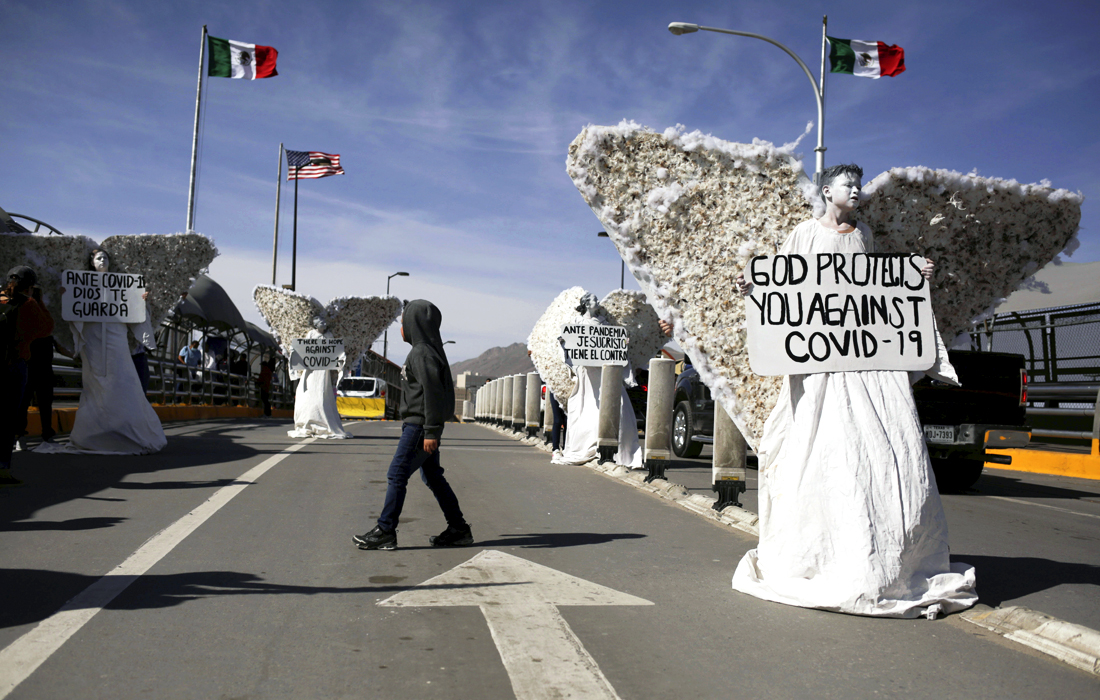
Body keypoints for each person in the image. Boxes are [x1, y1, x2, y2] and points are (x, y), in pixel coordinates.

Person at [730, 163, 976, 618]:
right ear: (827, 191)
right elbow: (783, 287)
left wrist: (914, 274)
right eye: (848, 184)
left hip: (864, 369)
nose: (857, 190)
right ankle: (826, 550)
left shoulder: (864, 235)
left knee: (875, 454)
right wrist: (753, 284)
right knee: (825, 451)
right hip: (819, 367)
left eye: (859, 184)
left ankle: (883, 553)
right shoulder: (804, 233)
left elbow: (875, 294)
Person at [353, 299, 471, 550]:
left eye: (403, 322)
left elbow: (433, 394)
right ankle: (459, 529)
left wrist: (431, 431)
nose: (401, 328)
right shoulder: (426, 351)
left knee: (397, 474)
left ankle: (386, 530)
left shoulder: (422, 353)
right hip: (422, 426)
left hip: (419, 427)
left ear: (414, 324)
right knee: (433, 477)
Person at [51, 249, 166, 455]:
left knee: (123, 381)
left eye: (105, 257)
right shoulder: (82, 284)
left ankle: (128, 431)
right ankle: (94, 435)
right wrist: (67, 297)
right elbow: (73, 311)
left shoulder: (123, 285)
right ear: (91, 263)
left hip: (116, 337)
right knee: (95, 384)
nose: (102, 260)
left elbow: (136, 314)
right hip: (93, 339)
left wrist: (141, 301)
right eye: (98, 258)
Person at [1, 267, 53, 485]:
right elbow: (46, 328)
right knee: (7, 419)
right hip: (14, 365)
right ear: (30, 286)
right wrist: (38, 301)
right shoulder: (28, 304)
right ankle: (2, 469)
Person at [15, 286, 71, 449]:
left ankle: (46, 434)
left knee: (44, 403)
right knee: (25, 403)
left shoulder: (46, 321)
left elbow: (58, 344)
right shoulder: (27, 318)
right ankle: (21, 435)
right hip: (29, 367)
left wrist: (76, 357)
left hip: (43, 369)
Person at [287, 320, 349, 439]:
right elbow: (305, 348)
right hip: (311, 369)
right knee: (308, 393)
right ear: (315, 324)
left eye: (323, 322)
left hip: (323, 370)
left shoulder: (329, 335)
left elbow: (333, 350)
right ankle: (307, 420)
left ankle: (322, 420)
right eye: (320, 322)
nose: (323, 323)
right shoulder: (311, 333)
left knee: (322, 393)